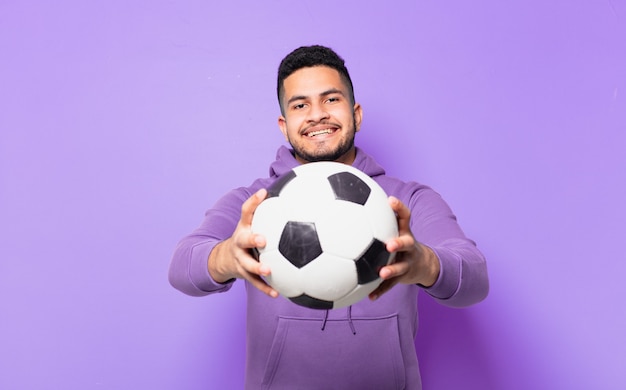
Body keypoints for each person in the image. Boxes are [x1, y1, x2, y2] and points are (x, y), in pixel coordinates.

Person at [169, 45, 489, 389]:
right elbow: (182, 268)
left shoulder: (406, 200)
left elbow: (474, 280)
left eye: (331, 100)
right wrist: (225, 257)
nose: (317, 115)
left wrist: (425, 263)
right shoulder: (254, 202)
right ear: (284, 124)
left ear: (357, 114)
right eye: (300, 105)